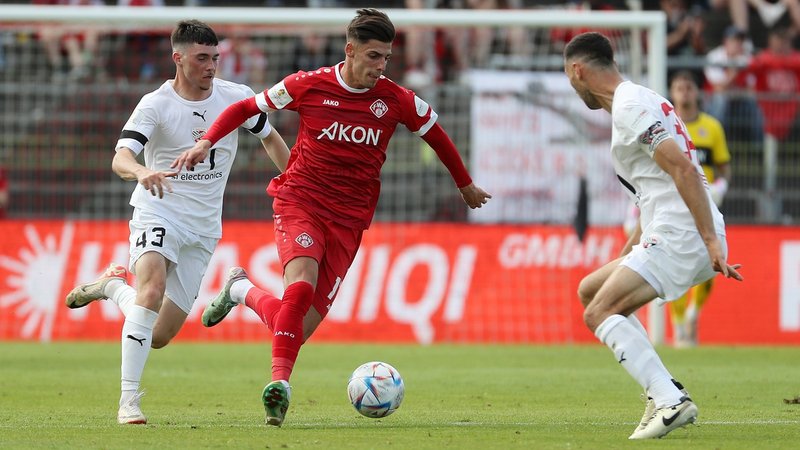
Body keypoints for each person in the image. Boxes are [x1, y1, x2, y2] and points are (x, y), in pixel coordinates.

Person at [172, 8, 491, 427]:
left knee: (293, 329)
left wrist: (464, 184)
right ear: (350, 51)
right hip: (301, 200)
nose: (380, 67)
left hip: (349, 220)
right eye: (374, 56)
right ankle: (280, 387)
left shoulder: (396, 100)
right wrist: (206, 142)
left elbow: (437, 135)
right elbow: (246, 109)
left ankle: (242, 291)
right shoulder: (308, 85)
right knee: (300, 284)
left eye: (386, 59)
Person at [63, 19, 290, 425]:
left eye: (215, 57)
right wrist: (141, 172)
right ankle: (128, 402)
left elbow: (269, 136)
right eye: (202, 58)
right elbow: (120, 158)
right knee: (151, 290)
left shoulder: (235, 97)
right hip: (159, 208)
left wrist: (293, 181)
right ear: (178, 58)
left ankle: (112, 287)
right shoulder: (156, 104)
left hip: (203, 227)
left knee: (160, 335)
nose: (211, 66)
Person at [563, 32, 743, 440]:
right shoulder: (639, 99)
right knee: (591, 290)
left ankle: (669, 399)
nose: (573, 89)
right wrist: (629, 253)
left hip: (683, 232)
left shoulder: (629, 106)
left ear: (578, 71)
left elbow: (681, 169)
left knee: (598, 313)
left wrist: (710, 241)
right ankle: (662, 391)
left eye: (569, 78)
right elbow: (653, 188)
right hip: (670, 226)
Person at [668, 70, 733, 348]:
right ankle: (680, 325)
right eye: (679, 87)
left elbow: (725, 168)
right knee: (674, 265)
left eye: (689, 87)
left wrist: (721, 186)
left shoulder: (712, 127)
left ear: (697, 92)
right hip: (675, 204)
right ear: (672, 93)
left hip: (706, 205)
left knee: (713, 261)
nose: (684, 92)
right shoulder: (666, 126)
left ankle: (694, 314)